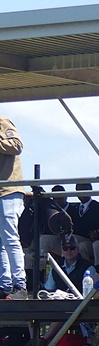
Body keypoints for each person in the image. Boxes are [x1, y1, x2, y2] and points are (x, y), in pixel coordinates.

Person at [0, 114, 26, 300]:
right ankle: (5, 284)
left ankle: (20, 285)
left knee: (10, 238)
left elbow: (17, 146)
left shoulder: (2, 121)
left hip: (8, 190)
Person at [69, 182, 99, 265]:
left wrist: (97, 235)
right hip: (79, 239)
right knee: (70, 240)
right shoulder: (75, 209)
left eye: (84, 190)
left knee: (80, 245)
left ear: (90, 191)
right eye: (79, 190)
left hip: (92, 241)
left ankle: (90, 270)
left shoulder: (97, 208)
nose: (81, 193)